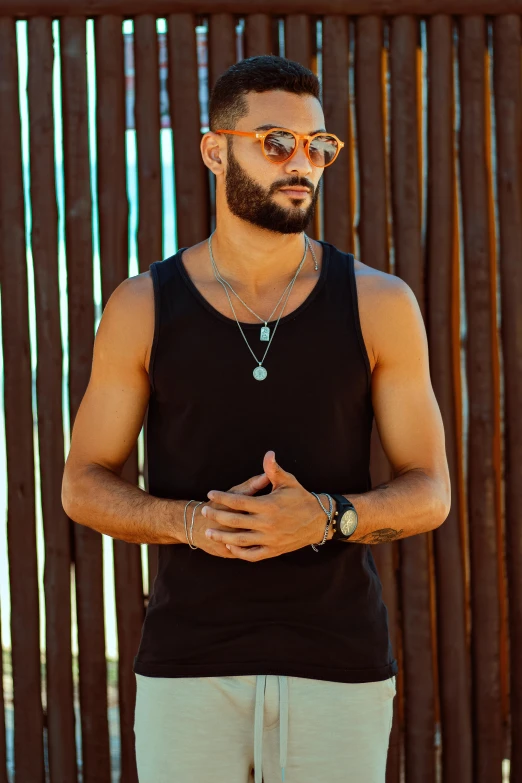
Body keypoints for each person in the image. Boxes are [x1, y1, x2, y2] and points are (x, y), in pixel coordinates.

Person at [62, 54, 451, 783]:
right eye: (275, 141)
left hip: (340, 666)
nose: (300, 162)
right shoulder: (143, 306)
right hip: (189, 667)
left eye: (318, 145)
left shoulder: (380, 304)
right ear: (216, 150)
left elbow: (431, 490)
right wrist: (189, 523)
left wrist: (329, 517)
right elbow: (83, 482)